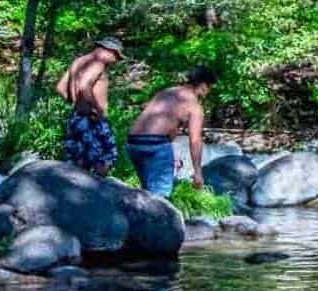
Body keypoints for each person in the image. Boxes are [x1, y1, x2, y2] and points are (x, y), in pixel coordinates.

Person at [126, 67, 216, 198]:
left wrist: (171, 152)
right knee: (160, 199)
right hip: (155, 145)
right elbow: (195, 140)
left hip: (133, 143)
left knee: (147, 194)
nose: (209, 91)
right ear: (203, 85)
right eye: (210, 86)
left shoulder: (166, 92)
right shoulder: (194, 106)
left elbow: (165, 123)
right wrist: (198, 173)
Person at [56, 37, 126, 176]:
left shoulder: (78, 61)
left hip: (77, 117)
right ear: (109, 51)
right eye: (116, 56)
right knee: (108, 155)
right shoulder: (98, 63)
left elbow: (60, 88)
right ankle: (96, 190)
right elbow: (84, 86)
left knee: (77, 160)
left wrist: (76, 103)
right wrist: (96, 109)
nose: (116, 61)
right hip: (92, 119)